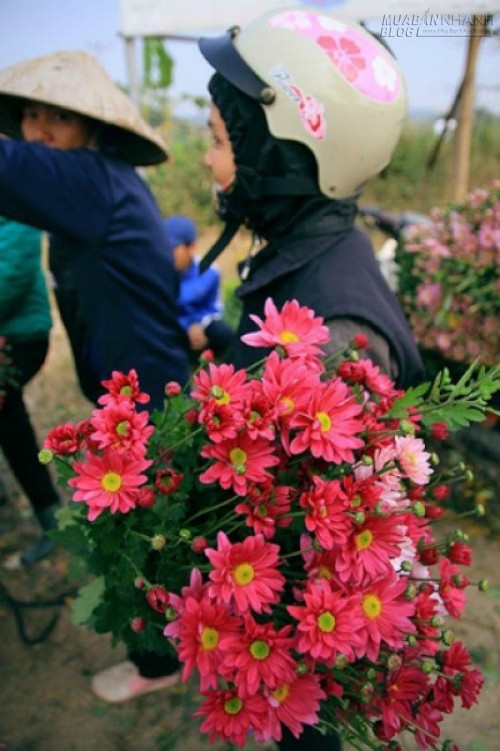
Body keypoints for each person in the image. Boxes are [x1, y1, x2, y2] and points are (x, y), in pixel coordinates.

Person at [197, 7, 425, 749]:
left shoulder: (339, 342)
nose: (207, 161)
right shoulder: (314, 248)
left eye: (219, 140)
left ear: (283, 158)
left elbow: (317, 533)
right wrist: (222, 340)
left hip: (306, 627)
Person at [0, 51, 190, 697]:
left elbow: (9, 166)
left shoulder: (89, 180)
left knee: (142, 534)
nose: (37, 130)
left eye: (58, 117)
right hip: (135, 386)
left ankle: (160, 663)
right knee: (149, 524)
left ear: (94, 127)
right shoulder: (99, 183)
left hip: (147, 394)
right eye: (30, 114)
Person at [0, 217, 62, 566]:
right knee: (9, 420)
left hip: (20, 335)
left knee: (9, 417)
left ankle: (50, 517)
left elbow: (11, 273)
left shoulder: (11, 204)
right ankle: (47, 515)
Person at [164, 214, 234, 356]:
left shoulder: (210, 272)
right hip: (170, 326)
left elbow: (215, 309)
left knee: (223, 333)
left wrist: (199, 324)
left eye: (173, 248)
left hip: (198, 328)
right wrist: (185, 325)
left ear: (191, 247)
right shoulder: (157, 272)